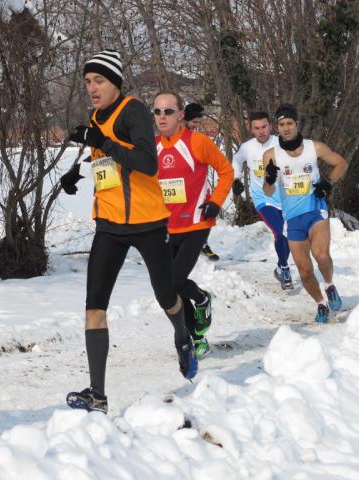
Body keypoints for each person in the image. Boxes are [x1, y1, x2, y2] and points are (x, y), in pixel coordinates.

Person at [60, 50, 197, 414]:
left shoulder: (133, 110)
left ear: (115, 83)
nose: (91, 87)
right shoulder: (96, 116)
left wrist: (102, 141)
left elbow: (146, 162)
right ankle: (98, 396)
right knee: (94, 307)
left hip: (147, 223)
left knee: (166, 296)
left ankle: (183, 336)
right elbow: (107, 159)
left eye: (99, 81)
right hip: (109, 226)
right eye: (88, 81)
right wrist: (77, 172)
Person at [154, 92, 234, 359]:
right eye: (157, 112)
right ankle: (196, 333)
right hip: (165, 227)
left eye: (168, 111)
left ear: (180, 115)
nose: (162, 116)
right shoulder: (152, 147)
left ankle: (200, 302)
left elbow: (226, 171)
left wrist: (216, 201)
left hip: (196, 224)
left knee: (173, 282)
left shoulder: (197, 142)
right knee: (169, 288)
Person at [262, 104, 348, 323]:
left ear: (297, 124)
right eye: (281, 124)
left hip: (315, 210)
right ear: (277, 128)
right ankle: (320, 303)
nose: (286, 128)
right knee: (305, 271)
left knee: (321, 254)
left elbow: (341, 163)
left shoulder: (314, 147)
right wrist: (270, 179)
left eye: (289, 123)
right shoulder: (271, 155)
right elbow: (268, 191)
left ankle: (329, 285)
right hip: (292, 218)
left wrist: (328, 183)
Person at [232, 111, 293, 289]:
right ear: (251, 129)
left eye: (264, 127)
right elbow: (236, 161)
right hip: (263, 199)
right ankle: (285, 268)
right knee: (279, 231)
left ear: (271, 126)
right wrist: (235, 180)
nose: (261, 131)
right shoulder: (247, 147)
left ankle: (281, 267)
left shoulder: (281, 143)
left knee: (287, 235)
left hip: (285, 197)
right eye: (257, 128)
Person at [184, 102, 220, 261]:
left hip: (199, 182)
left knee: (206, 210)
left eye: (199, 122)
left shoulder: (200, 138)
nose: (196, 126)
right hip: (180, 183)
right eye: (194, 122)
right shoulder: (177, 135)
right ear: (185, 119)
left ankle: (203, 243)